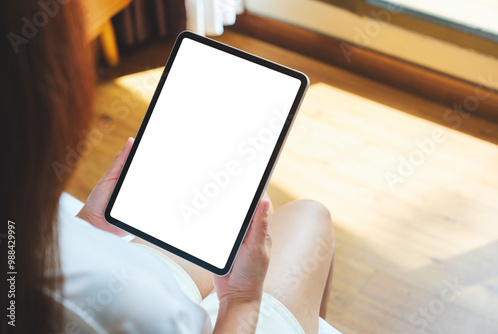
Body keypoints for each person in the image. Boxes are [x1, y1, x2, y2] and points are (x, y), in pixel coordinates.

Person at [1, 0, 335, 333]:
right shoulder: (141, 310)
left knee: (219, 220)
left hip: (115, 280)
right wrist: (241, 298)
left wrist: (88, 225)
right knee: (311, 215)